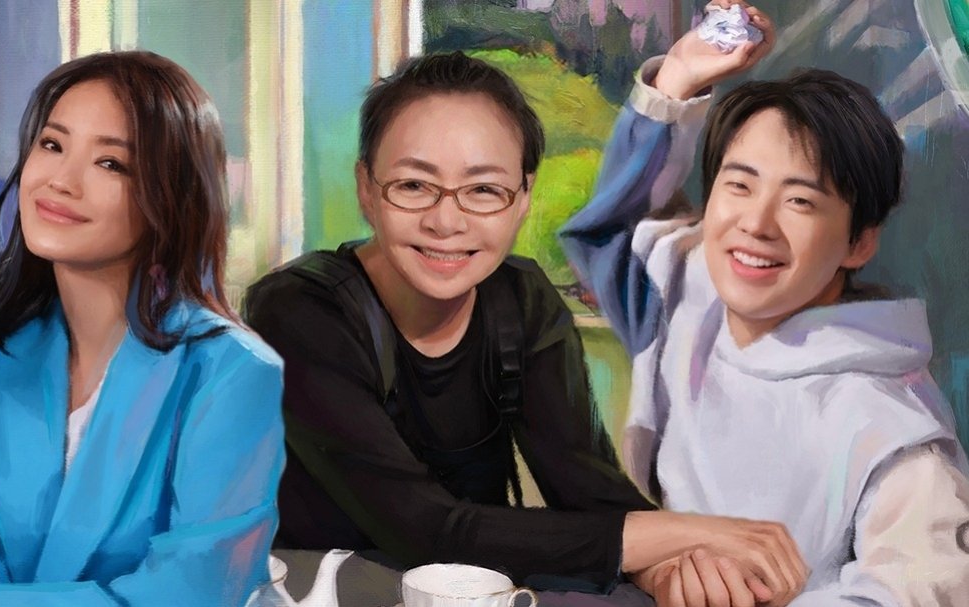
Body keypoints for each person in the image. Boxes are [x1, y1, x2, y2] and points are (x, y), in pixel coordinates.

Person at [243, 34, 808, 599]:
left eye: (484, 190)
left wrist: (668, 570)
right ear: (367, 189)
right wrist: (699, 533)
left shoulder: (521, 299)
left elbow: (590, 493)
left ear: (523, 197)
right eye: (413, 185)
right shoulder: (297, 311)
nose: (447, 222)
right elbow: (426, 529)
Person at [561, 2, 969, 604]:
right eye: (739, 184)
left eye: (800, 201)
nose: (756, 224)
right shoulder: (688, 292)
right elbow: (611, 232)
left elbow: (918, 590)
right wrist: (677, 79)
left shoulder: (893, 429)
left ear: (859, 241)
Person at [0, 51, 284, 606]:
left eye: (111, 164)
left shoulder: (232, 372)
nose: (61, 181)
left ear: (171, 197)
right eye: (52, 145)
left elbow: (188, 595)